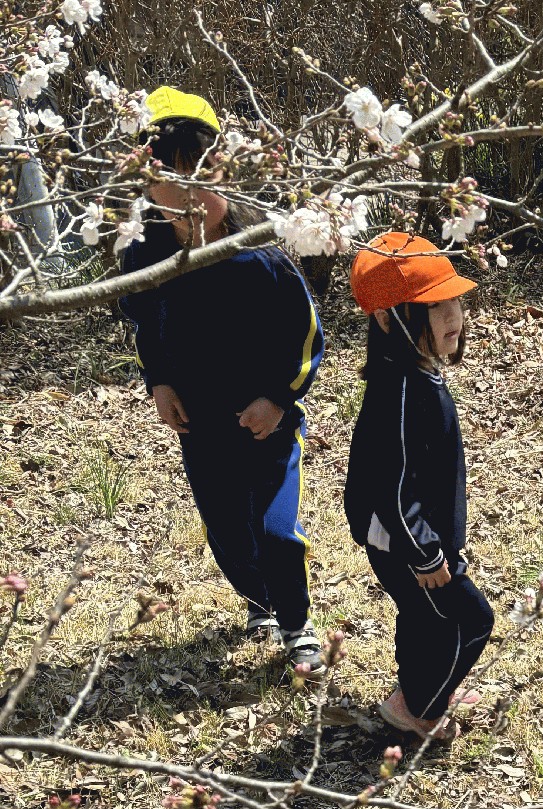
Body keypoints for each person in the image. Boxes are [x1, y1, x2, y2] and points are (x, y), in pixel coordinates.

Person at [121, 87, 325, 671]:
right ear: (147, 185)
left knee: (275, 529)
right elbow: (145, 322)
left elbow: (305, 334)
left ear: (226, 174)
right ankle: (259, 599)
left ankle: (296, 622)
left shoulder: (258, 254)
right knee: (226, 529)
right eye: (170, 184)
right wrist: (158, 381)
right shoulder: (144, 255)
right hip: (200, 423)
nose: (187, 198)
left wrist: (278, 398)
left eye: (200, 179)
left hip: (267, 423)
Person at [345, 232, 495, 740]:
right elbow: (391, 486)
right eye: (434, 306)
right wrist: (426, 553)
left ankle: (420, 687)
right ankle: (419, 711)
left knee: (421, 616)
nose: (454, 316)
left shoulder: (411, 374)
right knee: (468, 620)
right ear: (388, 320)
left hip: (414, 537)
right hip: (408, 542)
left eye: (454, 301)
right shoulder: (402, 390)